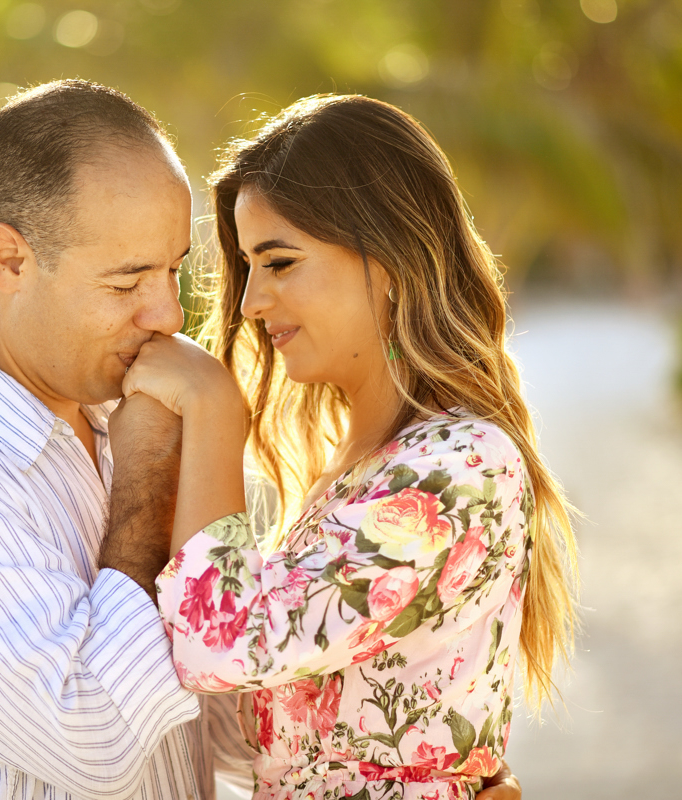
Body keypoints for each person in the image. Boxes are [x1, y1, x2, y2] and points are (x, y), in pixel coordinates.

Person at [0, 79, 521, 800]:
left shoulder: (129, 419)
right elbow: (98, 743)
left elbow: (228, 725)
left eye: (173, 272)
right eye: (127, 282)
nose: (165, 315)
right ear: (10, 261)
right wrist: (152, 477)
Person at [117, 94, 576, 799]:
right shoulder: (364, 466)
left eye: (280, 262)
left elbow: (225, 644)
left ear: (387, 259)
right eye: (249, 267)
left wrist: (211, 407)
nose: (250, 305)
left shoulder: (455, 468)